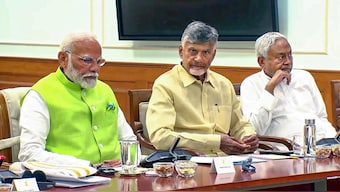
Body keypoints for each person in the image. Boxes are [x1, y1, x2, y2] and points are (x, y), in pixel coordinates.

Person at [18, 32, 138, 167]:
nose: (95, 68)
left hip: (119, 176)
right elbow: (29, 153)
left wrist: (127, 161)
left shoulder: (105, 90)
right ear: (63, 59)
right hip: (71, 179)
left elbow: (128, 140)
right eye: (87, 60)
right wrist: (86, 165)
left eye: (99, 62)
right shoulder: (40, 95)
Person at [146, 21, 259, 156]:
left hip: (227, 162)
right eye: (193, 51)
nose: (199, 59)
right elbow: (161, 138)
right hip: (188, 164)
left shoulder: (224, 84)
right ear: (181, 52)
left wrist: (248, 137)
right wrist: (215, 142)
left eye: (206, 52)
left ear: (214, 54)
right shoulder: (165, 85)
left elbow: (239, 124)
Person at [240, 32, 337, 142]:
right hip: (286, 150)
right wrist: (269, 89)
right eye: (281, 57)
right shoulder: (251, 84)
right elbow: (254, 129)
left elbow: (321, 117)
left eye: (289, 55)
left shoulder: (304, 77)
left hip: (322, 145)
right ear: (262, 61)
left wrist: (333, 140)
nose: (288, 62)